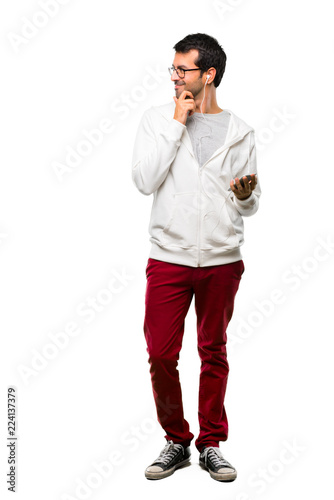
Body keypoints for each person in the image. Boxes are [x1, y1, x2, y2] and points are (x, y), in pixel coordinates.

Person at [131, 33, 261, 482]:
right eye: (173, 68)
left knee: (213, 352)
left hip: (223, 260)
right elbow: (145, 180)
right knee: (161, 352)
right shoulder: (156, 119)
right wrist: (175, 121)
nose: (174, 77)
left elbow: (249, 199)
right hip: (169, 257)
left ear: (209, 74)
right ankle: (176, 440)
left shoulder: (240, 130)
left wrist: (245, 197)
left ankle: (211, 444)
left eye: (182, 70)